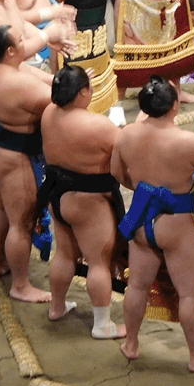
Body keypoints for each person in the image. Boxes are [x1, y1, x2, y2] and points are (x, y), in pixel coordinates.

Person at [113, 77, 194, 372]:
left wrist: (144, 190)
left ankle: (131, 344)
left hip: (140, 220)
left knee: (137, 286)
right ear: (175, 106)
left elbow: (117, 172)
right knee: (189, 293)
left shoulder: (126, 135)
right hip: (177, 225)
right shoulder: (187, 141)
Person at [39, 65, 126, 339]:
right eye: (89, 87)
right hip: (88, 202)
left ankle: (57, 306)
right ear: (81, 93)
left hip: (56, 195)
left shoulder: (47, 114)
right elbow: (127, 151)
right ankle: (102, 324)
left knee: (64, 254)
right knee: (99, 261)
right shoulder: (98, 126)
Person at [0, 22, 52, 303]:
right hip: (13, 156)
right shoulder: (15, 82)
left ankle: (2, 262)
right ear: (11, 50)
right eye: (21, 39)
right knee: (22, 222)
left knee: (2, 207)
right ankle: (21, 285)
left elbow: (42, 81)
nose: (26, 41)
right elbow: (60, 100)